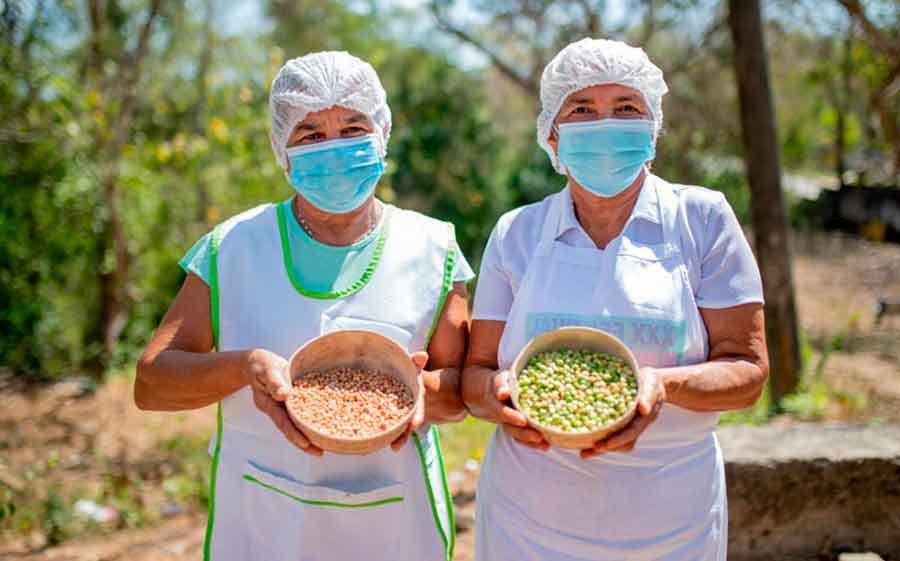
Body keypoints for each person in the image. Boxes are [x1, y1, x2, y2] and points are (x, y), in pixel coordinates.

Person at [135, 51, 472, 561]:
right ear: (282, 150)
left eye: (353, 127)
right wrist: (244, 367)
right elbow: (152, 382)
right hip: (264, 520)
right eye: (311, 134)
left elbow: (462, 388)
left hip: (396, 523)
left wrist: (416, 389)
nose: (334, 149)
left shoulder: (432, 248)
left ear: (381, 134)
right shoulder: (234, 248)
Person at [462, 38, 769, 560]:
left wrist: (660, 386)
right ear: (553, 137)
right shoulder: (517, 233)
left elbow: (747, 371)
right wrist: (501, 398)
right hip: (528, 518)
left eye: (626, 108)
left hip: (672, 520)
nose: (604, 124)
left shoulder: (701, 220)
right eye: (582, 109)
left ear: (652, 129)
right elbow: (474, 376)